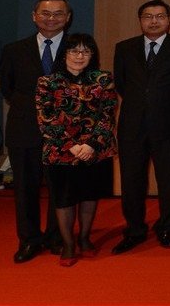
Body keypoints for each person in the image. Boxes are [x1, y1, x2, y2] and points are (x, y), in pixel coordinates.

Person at [110, 0, 170, 254]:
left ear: (169, 19)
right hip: (132, 125)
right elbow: (123, 84)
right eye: (148, 16)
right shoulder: (124, 48)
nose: (154, 21)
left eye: (159, 16)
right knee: (132, 180)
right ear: (140, 20)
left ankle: (167, 227)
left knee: (169, 180)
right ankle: (134, 229)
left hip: (169, 125)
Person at [0, 0, 70, 263]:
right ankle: (28, 240)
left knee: (60, 188)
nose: (51, 18)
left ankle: (56, 236)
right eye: (45, 13)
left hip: (64, 131)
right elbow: (8, 88)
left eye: (58, 13)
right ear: (34, 16)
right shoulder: (14, 50)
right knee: (25, 188)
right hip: (24, 128)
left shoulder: (79, 47)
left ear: (68, 16)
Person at [35, 33, 117, 267]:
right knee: (64, 199)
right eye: (74, 51)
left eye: (85, 51)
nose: (79, 56)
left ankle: (84, 238)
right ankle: (69, 244)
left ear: (92, 55)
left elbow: (107, 115)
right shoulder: (47, 82)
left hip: (95, 150)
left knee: (90, 196)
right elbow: (45, 119)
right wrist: (72, 146)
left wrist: (90, 145)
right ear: (64, 54)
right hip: (60, 151)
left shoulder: (103, 79)